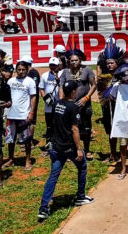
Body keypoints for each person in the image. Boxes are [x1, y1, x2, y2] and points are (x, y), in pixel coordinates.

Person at [37, 80, 94, 222]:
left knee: (53, 176)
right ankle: (80, 196)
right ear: (73, 92)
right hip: (69, 147)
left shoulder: (57, 104)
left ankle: (43, 208)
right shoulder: (72, 107)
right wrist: (79, 149)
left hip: (56, 147)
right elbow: (74, 129)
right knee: (82, 166)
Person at [59, 53, 96, 154]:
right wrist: (61, 101)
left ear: (80, 60)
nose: (74, 62)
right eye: (72, 60)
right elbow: (61, 86)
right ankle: (73, 150)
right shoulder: (65, 72)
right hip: (70, 105)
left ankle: (87, 150)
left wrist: (86, 98)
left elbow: (93, 85)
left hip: (85, 104)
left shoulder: (87, 70)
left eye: (76, 60)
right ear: (69, 61)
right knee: (71, 127)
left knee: (86, 128)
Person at [5, 60, 38, 171]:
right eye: (19, 69)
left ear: (27, 70)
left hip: (24, 115)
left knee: (27, 139)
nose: (21, 71)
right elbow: (7, 96)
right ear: (16, 70)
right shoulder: (11, 81)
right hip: (11, 114)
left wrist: (31, 112)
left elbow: (33, 97)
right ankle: (11, 158)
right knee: (11, 139)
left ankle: (27, 160)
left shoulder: (30, 81)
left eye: (23, 69)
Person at [39, 57, 62, 149]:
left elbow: (65, 88)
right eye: (51, 65)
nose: (53, 67)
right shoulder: (44, 75)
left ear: (58, 66)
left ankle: (59, 145)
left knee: (59, 126)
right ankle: (49, 146)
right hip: (48, 106)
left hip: (59, 105)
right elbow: (41, 88)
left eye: (55, 65)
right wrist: (45, 98)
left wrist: (59, 81)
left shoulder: (62, 74)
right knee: (49, 126)